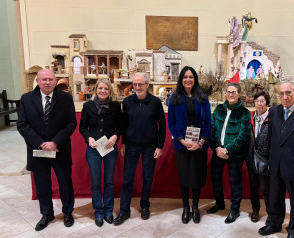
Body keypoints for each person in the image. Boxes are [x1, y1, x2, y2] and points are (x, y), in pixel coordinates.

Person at [17, 69, 77, 231]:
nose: (48, 82)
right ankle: (46, 214)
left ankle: (67, 212)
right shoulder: (27, 99)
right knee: (42, 184)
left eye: (51, 79)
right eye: (44, 79)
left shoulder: (65, 98)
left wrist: (55, 142)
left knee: (65, 183)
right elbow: (22, 124)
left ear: (56, 81)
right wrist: (41, 143)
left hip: (60, 149)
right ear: (38, 81)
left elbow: (71, 123)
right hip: (38, 150)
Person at [258, 82, 294, 238]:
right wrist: (270, 160)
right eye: (282, 93)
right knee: (275, 197)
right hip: (275, 164)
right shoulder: (273, 111)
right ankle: (274, 224)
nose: (285, 97)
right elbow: (271, 137)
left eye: (288, 93)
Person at [114, 73, 166, 225]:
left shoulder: (156, 102)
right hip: (132, 146)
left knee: (147, 178)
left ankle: (145, 206)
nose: (137, 87)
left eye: (140, 84)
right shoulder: (127, 102)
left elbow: (162, 126)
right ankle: (124, 210)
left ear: (147, 85)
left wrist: (160, 146)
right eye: (134, 84)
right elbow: (123, 125)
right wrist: (123, 143)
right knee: (127, 179)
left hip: (150, 146)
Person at [168, 66, 212, 224]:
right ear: (181, 79)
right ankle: (186, 207)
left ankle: (195, 206)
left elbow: (208, 123)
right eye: (185, 77)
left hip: (199, 146)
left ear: (195, 79)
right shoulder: (174, 98)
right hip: (182, 145)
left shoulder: (203, 97)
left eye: (191, 77)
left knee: (197, 176)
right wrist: (181, 140)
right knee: (184, 176)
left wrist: (200, 143)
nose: (188, 80)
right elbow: (171, 123)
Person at [79, 79, 123, 227]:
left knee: (109, 181)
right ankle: (98, 211)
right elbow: (82, 127)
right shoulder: (88, 106)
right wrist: (88, 138)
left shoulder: (116, 106)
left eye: (106, 89)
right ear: (95, 90)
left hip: (110, 147)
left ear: (110, 91)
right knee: (96, 182)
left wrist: (115, 136)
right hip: (93, 148)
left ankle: (108, 211)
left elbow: (121, 126)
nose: (103, 91)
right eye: (100, 88)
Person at [207, 83, 252, 224]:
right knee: (215, 177)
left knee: (235, 181)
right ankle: (219, 203)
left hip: (235, 153)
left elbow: (243, 136)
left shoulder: (244, 113)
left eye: (233, 92)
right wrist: (217, 149)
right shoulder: (219, 109)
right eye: (228, 92)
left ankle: (234, 209)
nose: (230, 95)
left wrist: (227, 150)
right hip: (218, 151)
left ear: (239, 94)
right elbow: (213, 129)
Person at [247, 91, 271, 223]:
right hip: (251, 158)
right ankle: (255, 210)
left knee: (266, 188)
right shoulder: (250, 117)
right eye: (257, 101)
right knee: (254, 186)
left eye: (262, 101)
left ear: (267, 103)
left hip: (265, 159)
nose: (259, 104)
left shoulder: (272, 119)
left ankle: (270, 213)